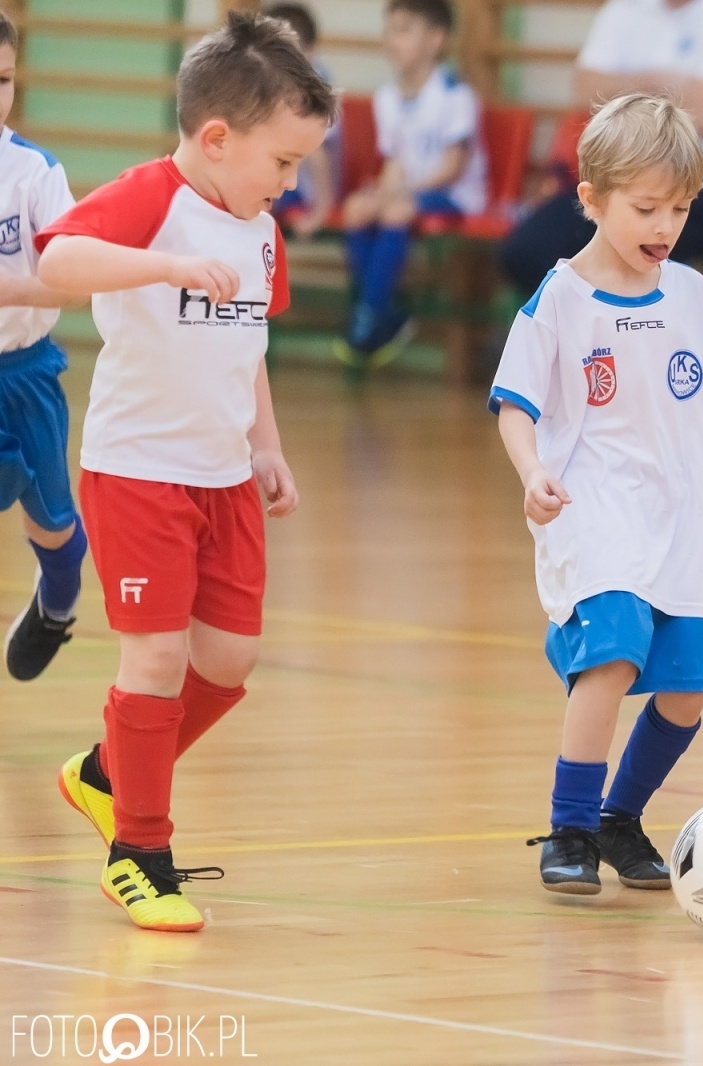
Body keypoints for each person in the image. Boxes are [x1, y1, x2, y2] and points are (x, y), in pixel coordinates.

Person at [39, 11, 334, 933]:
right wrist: (164, 264)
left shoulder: (259, 230)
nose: (290, 184)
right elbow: (59, 260)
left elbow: (249, 346)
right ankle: (141, 851)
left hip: (221, 476)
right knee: (157, 657)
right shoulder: (152, 198)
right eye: (282, 163)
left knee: (227, 658)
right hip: (138, 473)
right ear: (216, 138)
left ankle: (103, 773)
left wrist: (267, 444)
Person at [490, 93, 703, 894]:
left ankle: (620, 819)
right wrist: (533, 472)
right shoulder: (559, 300)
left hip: (678, 521)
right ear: (590, 200)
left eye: (680, 209)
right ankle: (570, 828)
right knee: (612, 660)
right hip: (592, 511)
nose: (666, 227)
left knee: (686, 694)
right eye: (646, 208)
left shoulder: (690, 294)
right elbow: (515, 406)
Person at [497, 0, 703, 296]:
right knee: (528, 249)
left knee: (615, 263)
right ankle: (572, 337)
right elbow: (584, 92)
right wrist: (660, 82)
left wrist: (621, 90)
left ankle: (595, 337)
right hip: (623, 174)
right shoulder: (625, 9)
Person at [0, 11, 87, 682]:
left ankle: (58, 605)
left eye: (2, 80)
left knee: (54, 523)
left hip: (25, 371)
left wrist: (11, 290)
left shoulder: (33, 174)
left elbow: (70, 288)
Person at [338, 0, 486, 364]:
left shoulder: (455, 95)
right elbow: (394, 162)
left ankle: (367, 316)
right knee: (358, 208)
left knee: (396, 211)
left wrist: (402, 192)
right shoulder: (387, 97)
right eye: (389, 29)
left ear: (435, 39)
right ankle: (384, 313)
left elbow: (452, 168)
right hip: (410, 193)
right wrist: (385, 190)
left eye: (403, 30)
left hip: (455, 196)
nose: (392, 39)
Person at [264, 2, 340, 239]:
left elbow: (319, 155)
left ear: (309, 51)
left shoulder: (317, 90)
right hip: (287, 179)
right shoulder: (272, 82)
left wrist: (321, 210)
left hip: (310, 189)